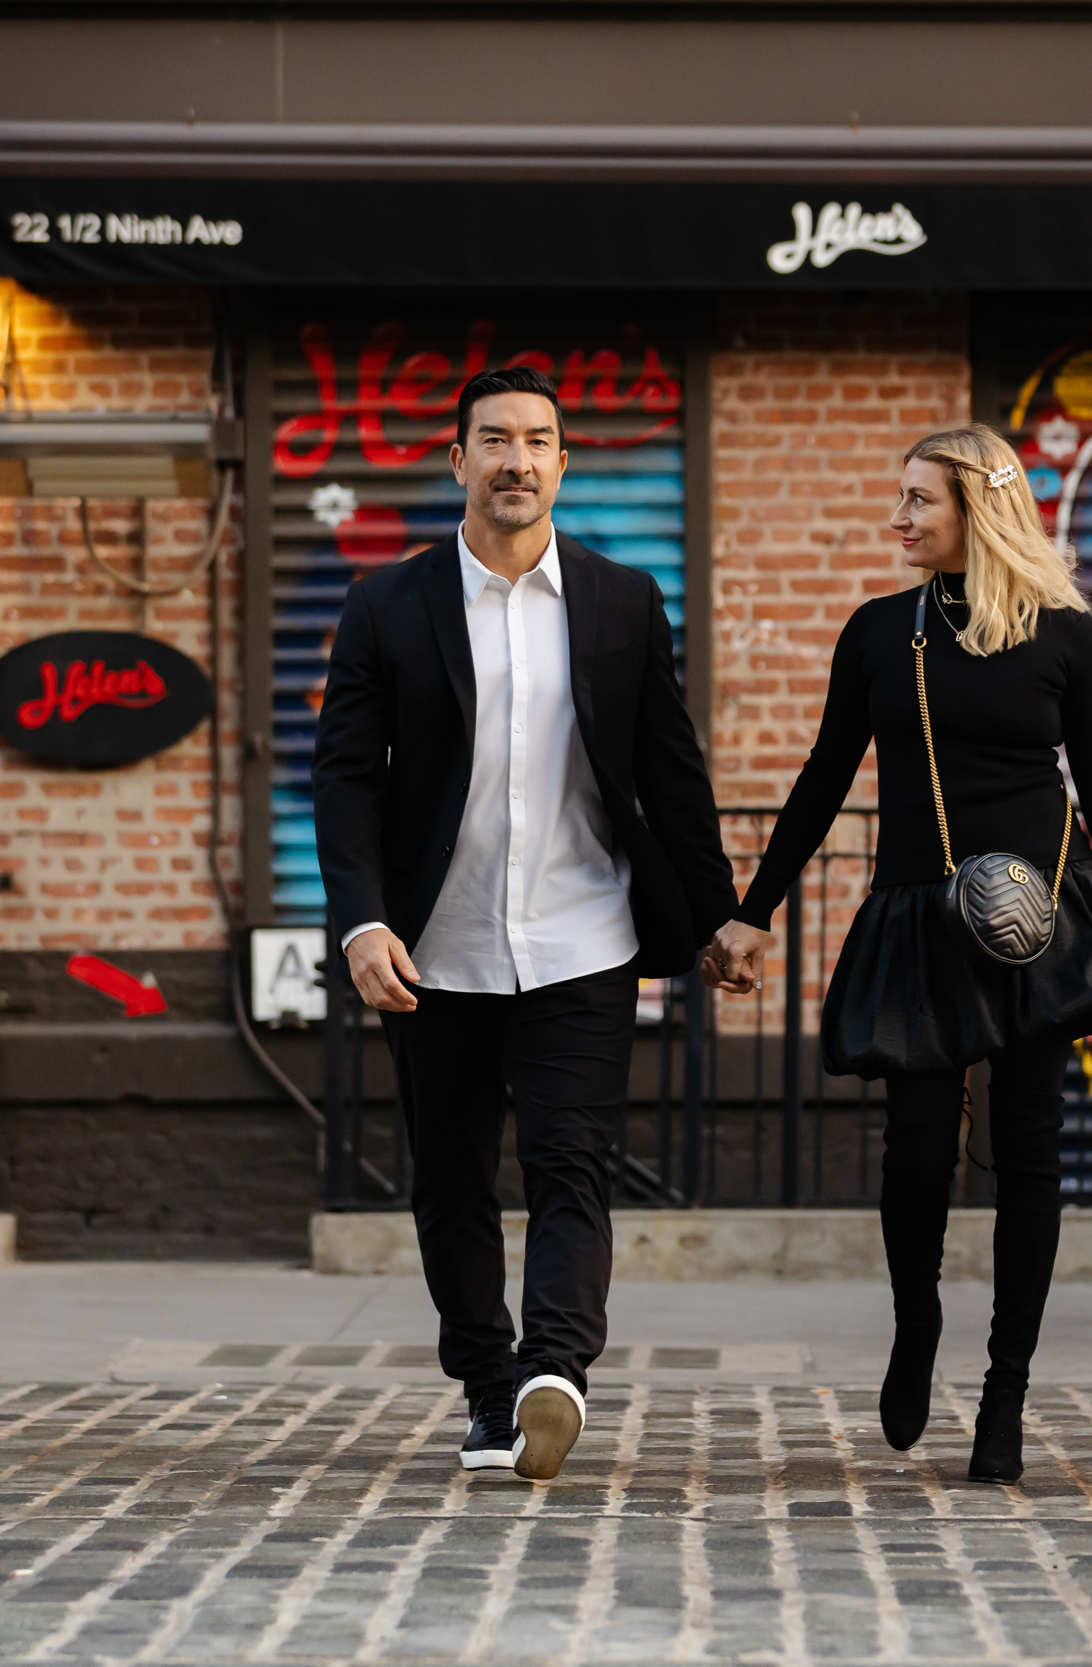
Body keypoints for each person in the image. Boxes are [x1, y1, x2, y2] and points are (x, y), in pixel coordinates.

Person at [707, 422, 1092, 1484]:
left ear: (976, 510)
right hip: (917, 914)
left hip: (1039, 919)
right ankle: (915, 1319)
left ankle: (1006, 1390)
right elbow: (820, 776)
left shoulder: (1066, 636)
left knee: (1030, 1148)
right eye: (898, 499)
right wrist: (754, 908)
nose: (895, 518)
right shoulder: (878, 631)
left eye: (916, 502)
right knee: (917, 1140)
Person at [313, 365, 735, 1482]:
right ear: (457, 461)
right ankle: (489, 1387)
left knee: (570, 1162)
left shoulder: (620, 600)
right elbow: (346, 777)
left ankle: (555, 1370)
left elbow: (670, 771)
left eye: (538, 440)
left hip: (581, 934)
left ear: (562, 461)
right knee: (450, 1176)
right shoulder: (385, 602)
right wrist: (360, 922)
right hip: (432, 948)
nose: (517, 459)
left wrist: (720, 914)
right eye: (494, 439)